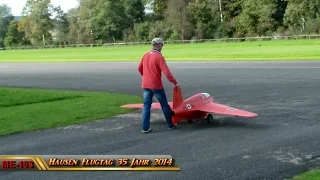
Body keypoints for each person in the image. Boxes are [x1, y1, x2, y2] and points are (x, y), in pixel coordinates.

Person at [138, 37, 178, 133]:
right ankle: (170, 124)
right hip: (156, 85)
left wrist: (146, 76)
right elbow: (167, 73)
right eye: (162, 45)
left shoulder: (146, 55)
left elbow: (139, 68)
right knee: (164, 104)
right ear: (160, 45)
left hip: (145, 85)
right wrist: (175, 82)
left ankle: (145, 127)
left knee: (146, 105)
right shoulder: (159, 57)